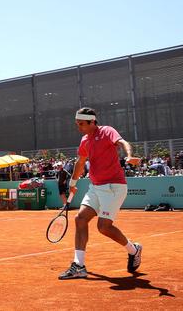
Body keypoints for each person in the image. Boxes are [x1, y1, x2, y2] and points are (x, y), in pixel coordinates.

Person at [59, 107, 142, 280]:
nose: (78, 127)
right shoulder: (84, 141)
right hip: (95, 187)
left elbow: (123, 143)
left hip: (114, 187)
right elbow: (80, 163)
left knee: (103, 227)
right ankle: (79, 266)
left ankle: (133, 250)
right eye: (77, 124)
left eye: (81, 124)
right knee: (80, 219)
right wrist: (73, 184)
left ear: (92, 122)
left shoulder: (107, 131)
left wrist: (129, 156)